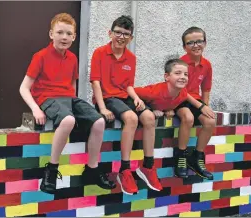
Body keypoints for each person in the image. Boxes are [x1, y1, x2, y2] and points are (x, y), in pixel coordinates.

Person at [19, 13, 116, 194]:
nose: (64, 37)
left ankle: (92, 169)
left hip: (68, 99)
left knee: (99, 121)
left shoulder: (72, 58)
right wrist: (35, 109)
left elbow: (72, 84)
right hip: (47, 99)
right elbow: (24, 88)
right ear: (51, 34)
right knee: (68, 121)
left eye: (68, 33)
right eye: (60, 32)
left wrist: (73, 106)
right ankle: (52, 169)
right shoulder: (40, 56)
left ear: (74, 36)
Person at [90, 15, 163, 195]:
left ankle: (148, 166)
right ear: (110, 33)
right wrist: (102, 108)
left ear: (131, 38)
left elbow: (128, 85)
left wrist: (137, 98)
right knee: (131, 118)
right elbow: (96, 83)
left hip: (124, 96)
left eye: (126, 34)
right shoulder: (99, 53)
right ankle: (125, 169)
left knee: (149, 117)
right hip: (108, 97)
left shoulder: (131, 57)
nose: (121, 37)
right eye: (118, 32)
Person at [173, 26, 216, 179]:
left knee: (210, 121)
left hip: (195, 100)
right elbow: (181, 91)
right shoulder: (181, 64)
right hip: (178, 98)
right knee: (188, 118)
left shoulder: (207, 65)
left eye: (199, 41)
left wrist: (206, 107)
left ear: (205, 43)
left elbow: (205, 89)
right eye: (191, 43)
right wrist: (200, 106)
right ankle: (181, 156)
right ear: (184, 47)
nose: (196, 45)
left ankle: (197, 157)